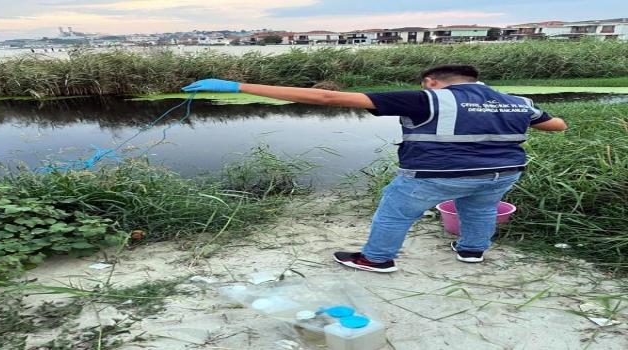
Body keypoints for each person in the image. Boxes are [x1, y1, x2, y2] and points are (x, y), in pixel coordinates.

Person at [182, 64, 567, 273]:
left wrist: (238, 86)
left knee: (395, 212)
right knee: (480, 209)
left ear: (432, 82)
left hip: (435, 176)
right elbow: (557, 125)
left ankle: (377, 259)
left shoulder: (425, 98)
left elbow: (328, 96)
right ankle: (471, 252)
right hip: (504, 173)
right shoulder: (515, 101)